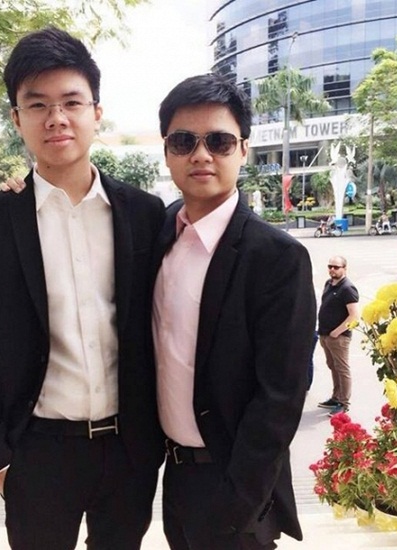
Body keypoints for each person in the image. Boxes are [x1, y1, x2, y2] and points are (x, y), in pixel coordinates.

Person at [0, 27, 166, 550]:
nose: (56, 118)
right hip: (36, 453)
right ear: (16, 118)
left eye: (71, 102)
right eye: (38, 104)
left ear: (96, 111)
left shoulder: (144, 213)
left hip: (128, 451)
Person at [152, 74, 316, 550]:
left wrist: (239, 505)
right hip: (174, 480)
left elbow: (281, 394)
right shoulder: (158, 232)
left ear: (243, 149)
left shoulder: (277, 257)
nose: (201, 155)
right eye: (184, 141)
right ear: (167, 151)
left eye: (219, 142)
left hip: (234, 490)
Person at [317, 256, 359, 417]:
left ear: (344, 268)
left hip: (338, 337)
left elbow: (354, 316)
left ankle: (343, 403)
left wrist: (337, 331)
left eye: (336, 267)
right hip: (325, 334)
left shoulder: (348, 288)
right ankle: (336, 397)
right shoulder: (329, 283)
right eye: (330, 266)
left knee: (342, 369)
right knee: (332, 366)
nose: (332, 270)